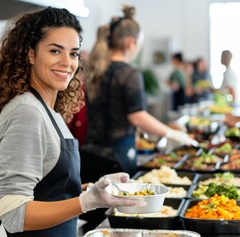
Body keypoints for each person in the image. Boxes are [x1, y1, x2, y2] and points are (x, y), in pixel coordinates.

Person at [0, 7, 145, 237]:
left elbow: (47, 191)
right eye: (55, 51)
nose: (67, 62)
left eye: (74, 53)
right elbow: (13, 212)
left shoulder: (49, 110)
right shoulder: (27, 112)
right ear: (30, 54)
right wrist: (86, 202)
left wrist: (91, 190)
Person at [83, 5, 196, 178]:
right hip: (116, 159)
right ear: (130, 42)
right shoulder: (129, 73)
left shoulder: (95, 70)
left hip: (89, 155)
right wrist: (172, 133)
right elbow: (137, 116)